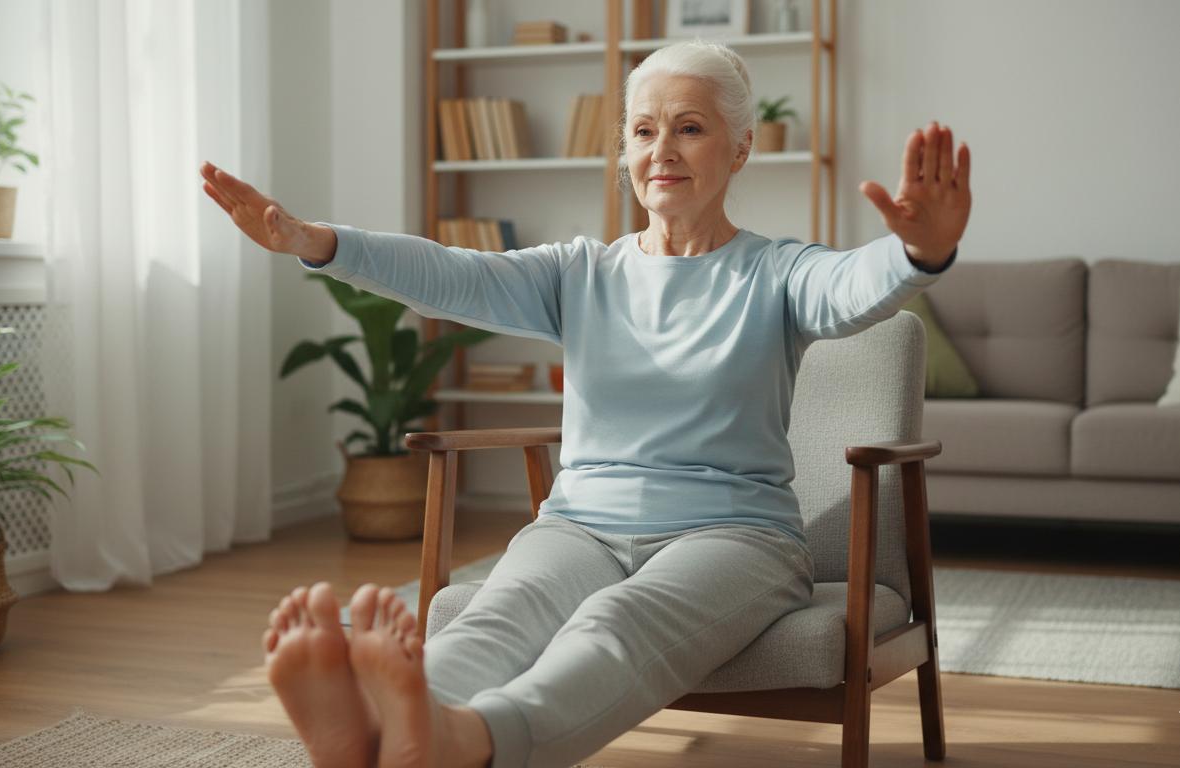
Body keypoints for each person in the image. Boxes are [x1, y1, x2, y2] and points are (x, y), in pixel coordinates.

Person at [201, 40, 970, 768]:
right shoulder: (580, 274)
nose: (661, 149)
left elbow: (852, 288)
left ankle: (463, 738)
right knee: (502, 613)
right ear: (625, 153)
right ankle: (386, 729)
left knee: (613, 623)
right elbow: (450, 273)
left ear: (739, 149)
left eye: (689, 128)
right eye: (642, 130)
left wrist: (918, 252)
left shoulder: (777, 273)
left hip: (735, 538)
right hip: (580, 525)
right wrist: (316, 242)